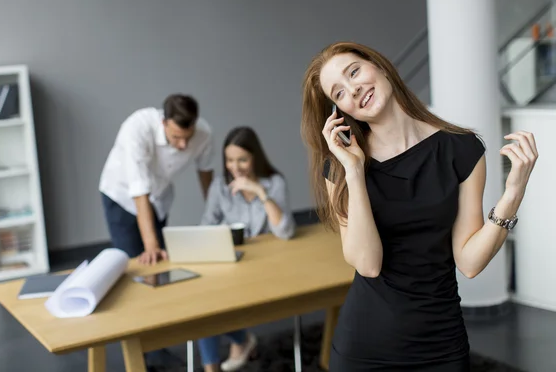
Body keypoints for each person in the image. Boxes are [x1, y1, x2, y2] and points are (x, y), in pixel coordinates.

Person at [300, 42, 538, 371]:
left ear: (380, 66)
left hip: (440, 341)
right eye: (339, 94)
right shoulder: (341, 168)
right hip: (365, 346)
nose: (353, 90)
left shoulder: (461, 149)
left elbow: (469, 262)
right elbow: (368, 264)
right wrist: (354, 172)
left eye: (354, 72)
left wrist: (512, 195)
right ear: (342, 113)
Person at [198, 126, 296, 372]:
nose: (235, 167)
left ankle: (241, 341)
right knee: (205, 305)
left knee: (213, 308)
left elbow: (285, 232)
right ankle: (215, 366)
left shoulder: (273, 183)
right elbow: (206, 227)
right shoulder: (220, 186)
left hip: (266, 268)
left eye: (242, 160)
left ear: (255, 158)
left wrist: (260, 192)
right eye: (230, 160)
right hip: (233, 265)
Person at [99, 93, 214, 265]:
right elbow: (139, 190)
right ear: (164, 122)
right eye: (176, 137)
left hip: (159, 197)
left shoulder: (204, 133)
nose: (183, 145)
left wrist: (215, 214)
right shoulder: (138, 128)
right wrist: (150, 245)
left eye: (188, 137)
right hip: (121, 195)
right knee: (135, 261)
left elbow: (205, 172)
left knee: (162, 259)